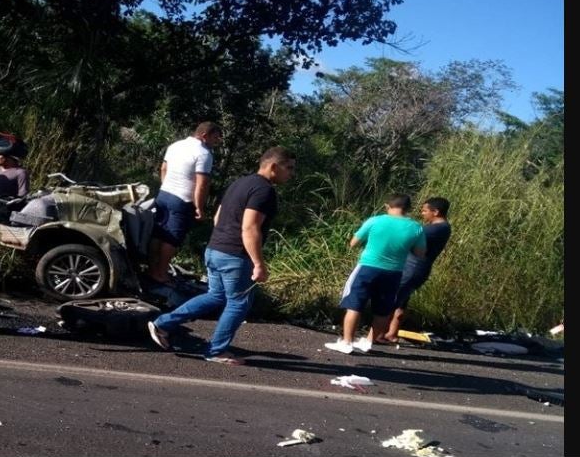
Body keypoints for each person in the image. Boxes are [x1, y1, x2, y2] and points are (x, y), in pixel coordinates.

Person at [147, 147, 296, 365]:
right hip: (235, 255)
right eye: (289, 168)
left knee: (216, 296)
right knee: (239, 303)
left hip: (215, 249)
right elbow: (250, 228)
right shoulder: (264, 191)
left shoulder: (240, 183)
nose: (291, 173)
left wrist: (223, 241)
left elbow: (218, 217)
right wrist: (258, 263)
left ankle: (163, 323)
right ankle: (215, 351)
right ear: (273, 167)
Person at [324, 193, 426, 355]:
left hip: (368, 267)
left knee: (354, 304)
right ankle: (368, 342)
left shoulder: (375, 221)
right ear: (408, 209)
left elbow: (353, 243)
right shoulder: (416, 228)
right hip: (394, 272)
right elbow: (420, 253)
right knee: (383, 310)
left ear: (387, 206)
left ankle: (347, 342)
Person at [147, 122, 223, 286]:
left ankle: (152, 269)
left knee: (158, 233)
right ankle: (160, 273)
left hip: (164, 194)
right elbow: (201, 184)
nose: (216, 142)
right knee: (173, 238)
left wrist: (166, 185)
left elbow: (163, 169)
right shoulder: (204, 154)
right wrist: (199, 207)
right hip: (182, 200)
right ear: (204, 136)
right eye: (215, 138)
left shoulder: (175, 145)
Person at [369, 197, 452, 344]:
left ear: (436, 212)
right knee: (401, 302)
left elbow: (408, 237)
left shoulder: (435, 229)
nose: (422, 213)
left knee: (391, 300)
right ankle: (391, 333)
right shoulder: (442, 228)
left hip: (412, 268)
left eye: (425, 211)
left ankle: (375, 335)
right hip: (417, 269)